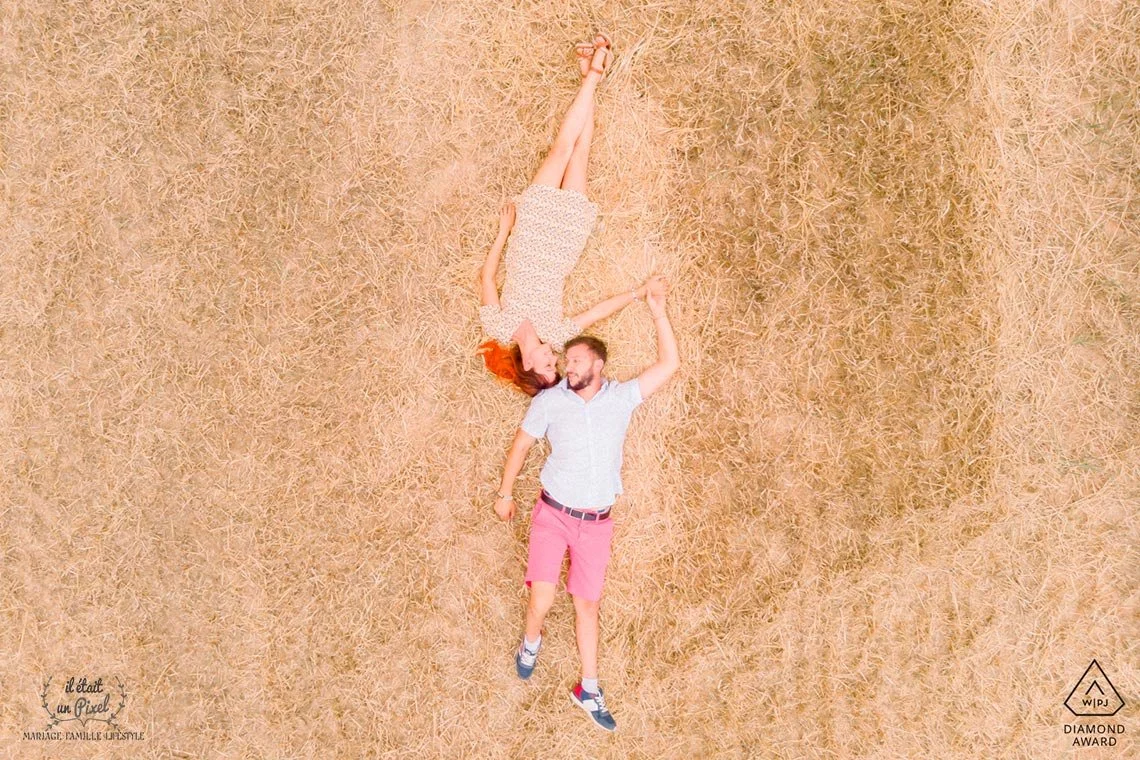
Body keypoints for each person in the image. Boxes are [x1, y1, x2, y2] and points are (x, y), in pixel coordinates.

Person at [491, 285, 680, 732]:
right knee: (543, 598)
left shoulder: (621, 397)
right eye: (566, 360)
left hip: (596, 523)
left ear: (597, 365)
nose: (564, 365)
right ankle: (530, 643)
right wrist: (504, 494)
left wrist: (658, 314)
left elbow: (670, 364)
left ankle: (588, 688)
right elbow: (521, 445)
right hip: (553, 515)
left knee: (587, 606)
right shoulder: (548, 401)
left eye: (574, 360)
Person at [477, 34, 666, 396]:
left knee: (561, 149)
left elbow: (486, 277)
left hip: (530, 226)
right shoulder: (557, 333)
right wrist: (639, 292)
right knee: (581, 152)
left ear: (529, 365)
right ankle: (590, 75)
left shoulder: (498, 329)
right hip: (565, 236)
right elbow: (599, 311)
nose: (555, 359)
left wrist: (504, 230)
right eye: (557, 365)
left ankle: (593, 73)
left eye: (548, 364)